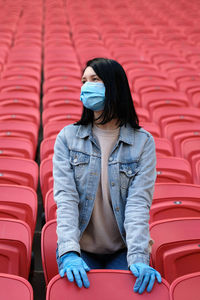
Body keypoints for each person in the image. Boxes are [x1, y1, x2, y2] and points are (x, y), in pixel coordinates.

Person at [53, 57, 161, 294]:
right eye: (84, 80)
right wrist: (69, 252)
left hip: (123, 249)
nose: (86, 86)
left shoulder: (143, 142)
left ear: (114, 86)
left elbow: (138, 203)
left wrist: (139, 257)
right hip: (80, 249)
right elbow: (66, 199)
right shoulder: (67, 138)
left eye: (94, 79)